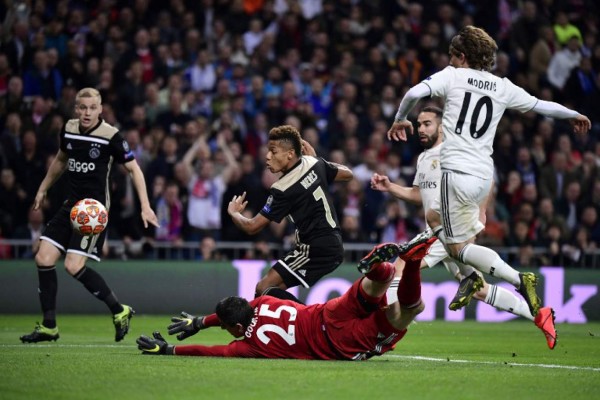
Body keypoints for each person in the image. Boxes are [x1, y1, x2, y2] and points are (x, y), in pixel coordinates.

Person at [387, 26, 590, 351]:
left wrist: (399, 119)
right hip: (483, 173)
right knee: (475, 282)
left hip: (457, 172)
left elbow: (413, 93)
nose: (450, 61)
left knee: (427, 248)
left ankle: (518, 279)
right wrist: (573, 115)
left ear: (462, 56)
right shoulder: (502, 85)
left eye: (453, 56)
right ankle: (538, 313)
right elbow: (541, 105)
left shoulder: (453, 76)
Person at [371, 106, 556, 348]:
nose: (421, 129)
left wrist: (481, 210)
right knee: (477, 288)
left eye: (427, 123)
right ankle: (540, 315)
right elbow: (420, 194)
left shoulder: (454, 151)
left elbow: (487, 174)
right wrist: (391, 188)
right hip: (437, 226)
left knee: (401, 265)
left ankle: (389, 332)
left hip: (448, 225)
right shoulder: (425, 158)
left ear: (442, 126)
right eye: (418, 125)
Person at [135, 239, 432, 360]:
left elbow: (212, 351)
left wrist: (171, 349)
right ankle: (382, 268)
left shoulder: (247, 345)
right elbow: (229, 319)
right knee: (373, 287)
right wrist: (201, 321)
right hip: (326, 312)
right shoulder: (262, 302)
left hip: (337, 343)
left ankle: (414, 262)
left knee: (408, 310)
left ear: (237, 329)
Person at [20, 88, 159, 343]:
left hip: (93, 211)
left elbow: (134, 170)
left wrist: (145, 206)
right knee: (43, 257)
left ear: (100, 109)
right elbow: (61, 160)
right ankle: (49, 326)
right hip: (71, 206)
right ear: (76, 109)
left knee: (73, 266)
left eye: (92, 108)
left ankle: (119, 310)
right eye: (82, 107)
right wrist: (42, 189)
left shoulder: (111, 136)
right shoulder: (69, 128)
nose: (87, 112)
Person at [227, 125, 353, 298]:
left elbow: (251, 226)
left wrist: (234, 213)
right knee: (269, 291)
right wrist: (318, 160)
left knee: (262, 289)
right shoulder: (314, 162)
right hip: (332, 242)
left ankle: (310, 321)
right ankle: (292, 321)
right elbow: (348, 174)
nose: (267, 156)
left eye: (273, 151)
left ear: (290, 154)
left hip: (315, 247)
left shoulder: (283, 188)